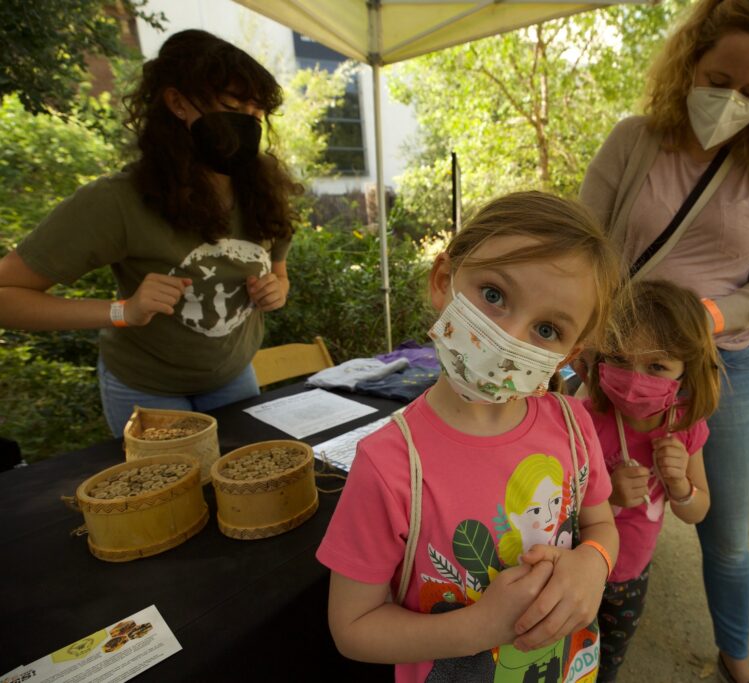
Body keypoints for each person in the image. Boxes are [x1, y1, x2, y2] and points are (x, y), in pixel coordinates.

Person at [578, 1, 749, 680]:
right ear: (689, 64)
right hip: (622, 360)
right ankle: (584, 622)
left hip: (725, 366)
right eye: (719, 80)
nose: (731, 101)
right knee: (597, 492)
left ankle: (736, 653)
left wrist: (713, 318)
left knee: (724, 532)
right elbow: (586, 243)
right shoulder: (634, 140)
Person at [317, 191, 623, 683]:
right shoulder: (392, 465)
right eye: (494, 295)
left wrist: (594, 563)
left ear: (566, 357)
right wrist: (481, 626)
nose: (510, 338)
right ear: (444, 281)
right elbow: (353, 627)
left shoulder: (573, 424)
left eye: (546, 328)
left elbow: (602, 526)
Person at [0, 29, 301, 435]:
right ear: (177, 104)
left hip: (233, 378)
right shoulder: (116, 201)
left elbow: (277, 270)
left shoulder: (265, 190)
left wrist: (277, 290)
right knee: (169, 496)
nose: (248, 121)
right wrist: (122, 311)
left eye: (257, 111)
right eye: (232, 105)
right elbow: (7, 296)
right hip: (148, 389)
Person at [583, 279, 720, 682]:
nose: (634, 377)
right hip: (579, 566)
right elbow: (554, 516)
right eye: (621, 360)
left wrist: (681, 487)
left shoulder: (686, 428)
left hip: (630, 576)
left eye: (657, 366)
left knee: (608, 661)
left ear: (686, 370)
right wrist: (609, 499)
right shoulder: (582, 419)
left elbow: (698, 511)